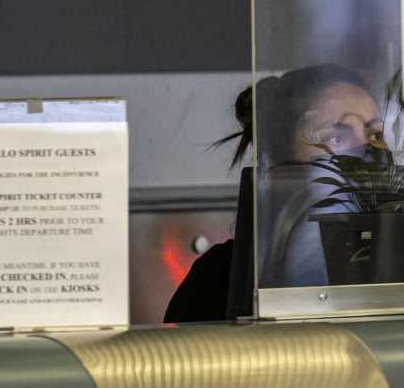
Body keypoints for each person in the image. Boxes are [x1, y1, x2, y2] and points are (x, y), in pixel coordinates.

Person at [163, 64, 383, 321]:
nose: (368, 154)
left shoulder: (403, 261)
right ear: (278, 162)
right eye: (336, 138)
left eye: (376, 135)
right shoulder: (224, 277)